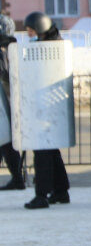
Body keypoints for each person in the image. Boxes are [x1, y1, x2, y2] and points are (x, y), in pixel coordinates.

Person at [23, 12, 70, 209]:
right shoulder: (52, 45)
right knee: (51, 150)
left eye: (32, 30)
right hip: (50, 106)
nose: (29, 34)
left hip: (46, 105)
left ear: (41, 29)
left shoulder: (49, 48)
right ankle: (60, 191)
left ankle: (41, 194)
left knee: (42, 150)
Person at [0, 14, 23, 190]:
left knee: (6, 141)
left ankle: (17, 178)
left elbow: (8, 75)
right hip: (8, 100)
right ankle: (17, 177)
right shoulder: (12, 47)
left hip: (7, 100)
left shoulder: (6, 49)